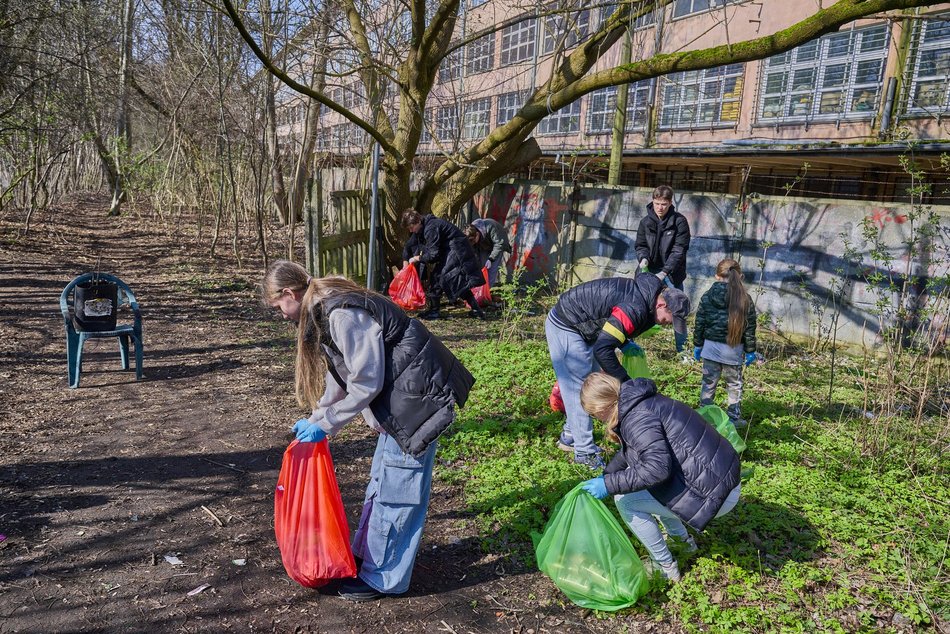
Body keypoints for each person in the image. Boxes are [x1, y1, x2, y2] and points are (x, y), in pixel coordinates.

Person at [263, 260, 475, 602]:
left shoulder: (340, 313)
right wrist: (317, 419)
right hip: (403, 399)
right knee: (382, 481)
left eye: (278, 307)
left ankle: (384, 578)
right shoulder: (326, 309)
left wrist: (328, 425)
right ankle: (370, 555)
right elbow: (342, 374)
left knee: (399, 489)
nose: (281, 315)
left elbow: (366, 381)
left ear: (289, 293)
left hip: (416, 403)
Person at [578, 372, 741, 582]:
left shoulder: (637, 418)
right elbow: (634, 449)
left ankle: (666, 568)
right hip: (721, 480)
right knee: (645, 487)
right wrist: (608, 475)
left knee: (626, 501)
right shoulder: (640, 401)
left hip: (713, 494)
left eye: (594, 414)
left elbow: (657, 470)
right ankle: (683, 542)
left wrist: (609, 485)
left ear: (601, 408)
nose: (597, 419)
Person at [545, 274, 691, 469]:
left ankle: (570, 437)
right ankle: (584, 452)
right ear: (662, 305)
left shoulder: (647, 300)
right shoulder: (636, 307)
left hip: (587, 328)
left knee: (592, 384)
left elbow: (614, 326)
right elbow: (603, 349)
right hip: (567, 324)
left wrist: (625, 343)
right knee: (579, 388)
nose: (668, 324)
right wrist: (626, 382)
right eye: (670, 320)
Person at [692, 258, 757, 428]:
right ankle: (734, 419)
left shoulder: (707, 296)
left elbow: (700, 322)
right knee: (734, 385)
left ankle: (705, 415)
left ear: (717, 276)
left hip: (710, 349)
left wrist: (698, 345)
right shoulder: (745, 298)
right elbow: (750, 328)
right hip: (733, 351)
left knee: (708, 383)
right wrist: (751, 351)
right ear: (740, 276)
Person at [635, 185, 691, 353]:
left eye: (664, 204)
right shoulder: (645, 222)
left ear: (670, 203)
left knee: (677, 310)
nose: (660, 208)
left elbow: (679, 250)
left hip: (672, 273)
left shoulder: (679, 222)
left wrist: (664, 272)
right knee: (636, 304)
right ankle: (626, 342)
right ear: (653, 201)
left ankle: (683, 351)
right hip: (649, 270)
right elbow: (640, 245)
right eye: (657, 203)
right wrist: (643, 258)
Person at [402, 209, 486, 320]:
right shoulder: (423, 226)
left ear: (416, 222)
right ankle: (476, 310)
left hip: (457, 250)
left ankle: (434, 311)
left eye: (411, 227)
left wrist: (418, 258)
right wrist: (405, 262)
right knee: (455, 282)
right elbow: (409, 245)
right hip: (452, 249)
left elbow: (433, 255)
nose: (411, 231)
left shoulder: (431, 228)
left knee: (439, 277)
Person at [464, 217, 512, 287]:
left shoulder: (491, 226)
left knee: (491, 269)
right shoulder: (470, 231)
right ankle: (478, 289)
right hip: (484, 245)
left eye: (473, 241)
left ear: (477, 234)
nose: (473, 243)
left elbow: (498, 244)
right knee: (481, 267)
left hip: (498, 245)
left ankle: (487, 291)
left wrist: (491, 259)